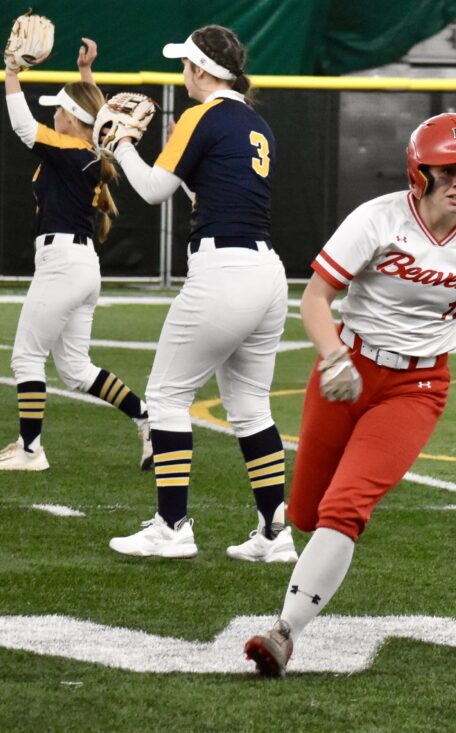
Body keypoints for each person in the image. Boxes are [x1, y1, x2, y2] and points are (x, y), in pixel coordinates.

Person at [243, 113, 456, 676]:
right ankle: (305, 579)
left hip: (418, 387)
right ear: (419, 172)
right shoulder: (376, 219)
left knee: (345, 508)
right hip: (349, 370)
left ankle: (283, 632)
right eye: (448, 171)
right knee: (304, 512)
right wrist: (334, 356)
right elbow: (316, 297)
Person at [100, 25, 295, 562]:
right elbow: (201, 185)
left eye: (185, 64)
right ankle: (275, 535)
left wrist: (119, 145)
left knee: (166, 397)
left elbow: (153, 189)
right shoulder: (255, 124)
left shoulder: (201, 115)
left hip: (224, 268)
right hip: (267, 272)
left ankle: (171, 526)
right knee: (252, 408)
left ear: (203, 69)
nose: (182, 73)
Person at [0, 37, 152, 472]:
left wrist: (13, 72)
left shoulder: (70, 151)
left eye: (59, 108)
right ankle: (147, 418)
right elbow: (97, 117)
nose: (52, 113)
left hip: (63, 265)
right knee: (75, 369)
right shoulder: (85, 150)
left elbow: (24, 127)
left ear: (74, 119)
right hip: (81, 266)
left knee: (26, 357)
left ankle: (30, 449)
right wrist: (85, 75)